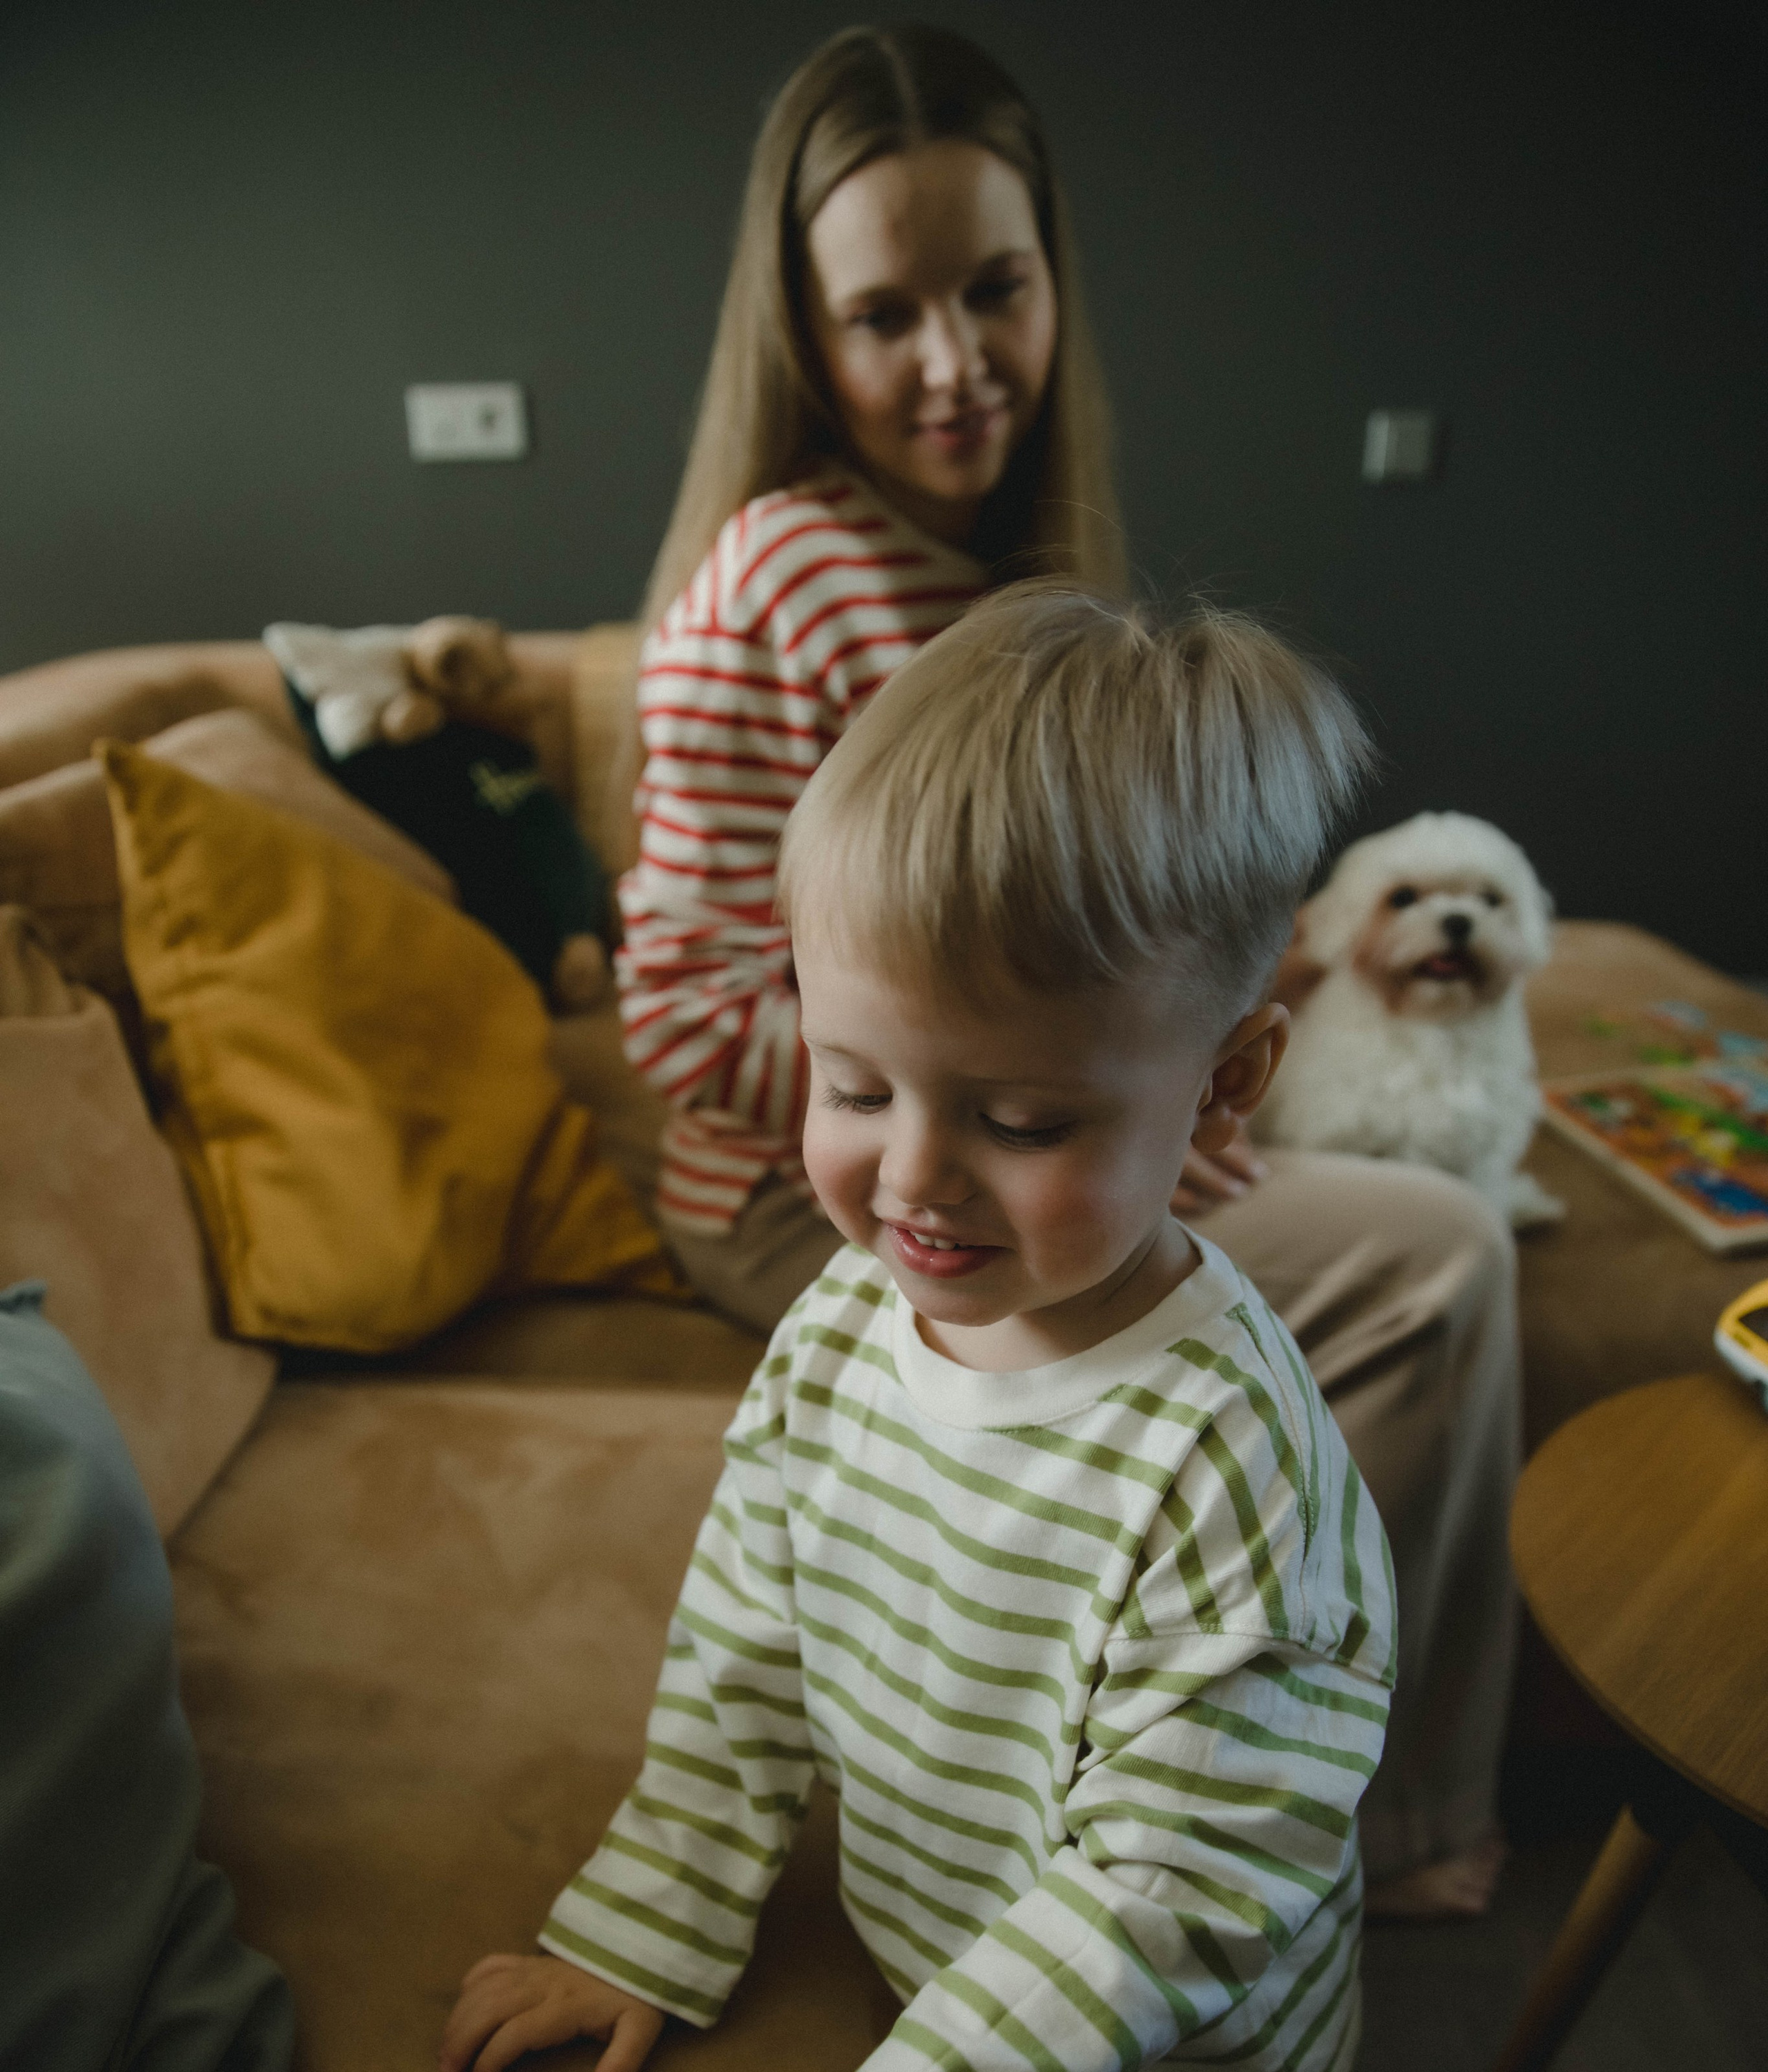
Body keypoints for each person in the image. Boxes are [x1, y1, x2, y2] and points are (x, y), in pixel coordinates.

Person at [444, 584, 1396, 2072]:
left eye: (1024, 1119)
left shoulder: (1231, 1478)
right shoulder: (845, 1330)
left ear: (1230, 1080)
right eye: (859, 1082)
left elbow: (1150, 1908)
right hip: (946, 1971)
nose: (911, 1190)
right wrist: (643, 1916)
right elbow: (747, 1647)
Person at [612, 23, 1516, 1916]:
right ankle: (1383, 1827)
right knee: (1440, 1265)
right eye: (884, 316)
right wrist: (1015, 1123)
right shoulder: (775, 579)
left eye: (995, 290)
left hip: (1013, 1133)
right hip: (805, 1201)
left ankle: (1222, 1760)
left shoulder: (1013, 573)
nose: (954, 364)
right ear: (802, 332)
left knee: (1420, 1215)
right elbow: (686, 1010)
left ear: (1054, 282)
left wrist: (1125, 1082)